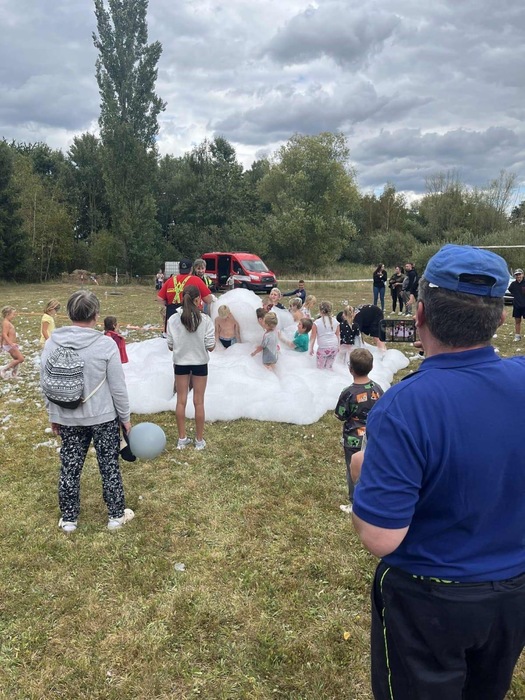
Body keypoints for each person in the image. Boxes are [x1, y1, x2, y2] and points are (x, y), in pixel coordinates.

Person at [352, 244, 525, 700]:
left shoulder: (403, 406)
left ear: (420, 313)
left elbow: (380, 537)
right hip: (513, 593)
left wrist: (359, 472)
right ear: (500, 319)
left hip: (427, 599)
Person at [40, 290, 134, 532]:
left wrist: (53, 415)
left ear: (69, 313)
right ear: (96, 315)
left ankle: (69, 519)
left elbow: (46, 383)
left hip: (68, 417)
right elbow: (118, 387)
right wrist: (125, 418)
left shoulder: (52, 343)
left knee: (70, 467)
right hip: (103, 416)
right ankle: (115, 515)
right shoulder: (106, 344)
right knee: (109, 465)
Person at [166, 285, 215, 451]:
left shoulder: (173, 319)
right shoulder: (205, 320)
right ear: (197, 299)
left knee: (181, 400)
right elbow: (211, 346)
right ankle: (199, 441)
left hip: (180, 363)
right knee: (198, 401)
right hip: (200, 363)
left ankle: (182, 439)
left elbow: (170, 345)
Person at [335, 348, 383, 514]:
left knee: (353, 469)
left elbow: (340, 415)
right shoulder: (377, 388)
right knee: (372, 467)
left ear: (351, 369)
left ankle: (355, 503)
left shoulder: (348, 393)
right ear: (371, 367)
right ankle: (374, 497)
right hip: (374, 436)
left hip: (353, 439)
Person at [157, 259, 213, 331]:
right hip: (192, 320)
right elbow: (208, 299)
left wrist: (169, 305)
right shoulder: (196, 280)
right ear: (191, 269)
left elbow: (160, 298)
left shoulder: (170, 280)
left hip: (173, 319)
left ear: (179, 269)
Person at [309, 301, 339, 369]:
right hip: (334, 347)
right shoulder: (335, 321)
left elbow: (313, 337)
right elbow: (338, 335)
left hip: (323, 348)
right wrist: (338, 346)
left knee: (320, 368)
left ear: (320, 310)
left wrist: (311, 348)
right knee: (329, 367)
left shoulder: (316, 323)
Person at [1, 306, 25, 379]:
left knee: (16, 359)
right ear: (7, 314)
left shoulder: (7, 322)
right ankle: (4, 369)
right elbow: (4, 334)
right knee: (21, 359)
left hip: (10, 344)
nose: (14, 316)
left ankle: (14, 374)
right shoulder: (6, 323)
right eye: (13, 314)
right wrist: (11, 344)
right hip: (9, 345)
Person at [508, 268, 525, 341]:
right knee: (517, 321)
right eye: (517, 275)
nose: (518, 276)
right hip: (517, 306)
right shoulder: (513, 284)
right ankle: (517, 336)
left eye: (519, 274)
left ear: (523, 275)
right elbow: (510, 290)